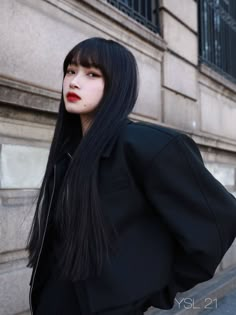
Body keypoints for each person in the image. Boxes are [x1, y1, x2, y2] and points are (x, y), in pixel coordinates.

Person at [27, 37, 236, 315]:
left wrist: (157, 289)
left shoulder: (148, 146)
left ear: (117, 84)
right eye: (70, 71)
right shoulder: (67, 154)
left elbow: (219, 219)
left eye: (92, 74)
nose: (74, 82)